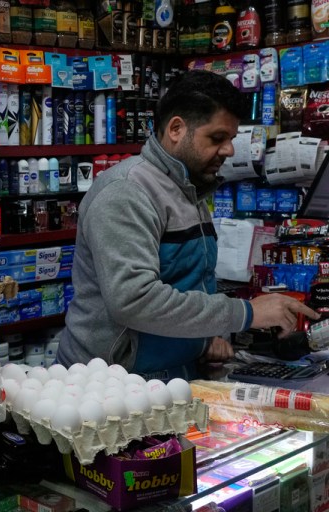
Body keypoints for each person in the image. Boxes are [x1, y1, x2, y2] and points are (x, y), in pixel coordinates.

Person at [56, 70, 319, 380]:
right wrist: (245, 313)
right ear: (177, 128)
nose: (229, 150)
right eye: (217, 138)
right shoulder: (126, 192)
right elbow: (134, 300)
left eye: (231, 139)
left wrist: (203, 340)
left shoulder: (189, 188)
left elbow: (186, 281)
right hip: (111, 385)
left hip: (169, 378)